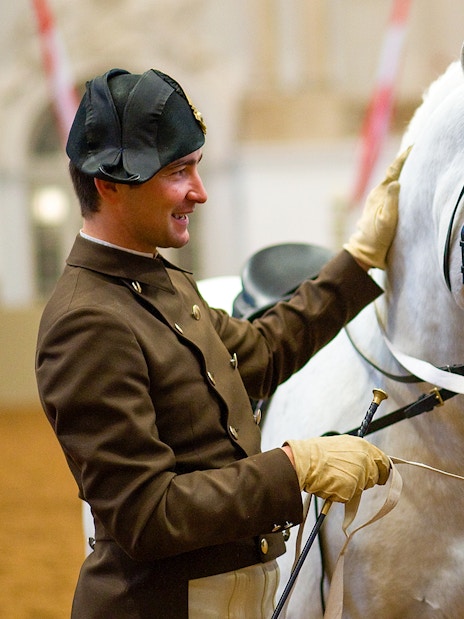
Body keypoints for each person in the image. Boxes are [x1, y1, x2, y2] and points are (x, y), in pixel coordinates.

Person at [35, 67, 407, 619]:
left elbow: (261, 349)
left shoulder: (162, 282)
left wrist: (357, 261)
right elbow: (146, 514)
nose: (199, 192)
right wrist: (293, 467)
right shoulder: (85, 322)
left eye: (198, 168)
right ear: (110, 185)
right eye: (178, 172)